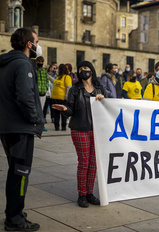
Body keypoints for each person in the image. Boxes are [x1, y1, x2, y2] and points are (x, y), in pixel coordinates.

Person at [0, 27, 44, 231]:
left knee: (15, 171)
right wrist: (35, 120)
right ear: (29, 44)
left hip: (8, 127)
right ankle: (14, 218)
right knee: (20, 173)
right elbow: (25, 98)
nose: (38, 45)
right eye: (36, 41)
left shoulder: (6, 63)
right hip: (20, 128)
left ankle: (14, 210)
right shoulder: (22, 64)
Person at [52, 60, 106, 208]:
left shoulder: (100, 88)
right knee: (84, 161)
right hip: (80, 129)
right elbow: (71, 108)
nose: (83, 70)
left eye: (86, 67)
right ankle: (82, 194)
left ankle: (90, 193)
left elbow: (108, 107)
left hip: (96, 130)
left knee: (93, 163)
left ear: (92, 70)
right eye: (81, 68)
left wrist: (103, 99)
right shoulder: (75, 89)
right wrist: (65, 109)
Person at [51, 64, 72, 131]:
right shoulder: (58, 77)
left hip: (62, 99)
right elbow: (54, 82)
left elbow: (68, 88)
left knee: (63, 114)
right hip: (55, 98)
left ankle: (63, 127)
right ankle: (56, 127)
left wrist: (66, 97)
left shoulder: (67, 77)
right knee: (55, 114)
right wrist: (48, 76)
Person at [36, 56, 49, 131]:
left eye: (41, 63)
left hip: (43, 93)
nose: (40, 64)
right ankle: (36, 124)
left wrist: (46, 88)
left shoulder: (44, 71)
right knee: (36, 110)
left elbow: (47, 81)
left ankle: (41, 125)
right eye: (39, 63)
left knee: (41, 110)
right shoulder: (35, 70)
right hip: (36, 93)